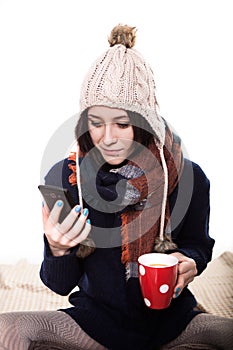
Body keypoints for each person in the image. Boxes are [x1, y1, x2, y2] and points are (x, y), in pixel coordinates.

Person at [0, 24, 232, 350]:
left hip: (173, 323)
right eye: (96, 123)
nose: (107, 138)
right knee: (6, 328)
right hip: (94, 323)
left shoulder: (189, 176)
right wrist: (57, 248)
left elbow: (198, 244)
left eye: (122, 123)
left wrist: (191, 260)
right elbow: (59, 284)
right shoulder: (65, 177)